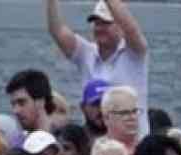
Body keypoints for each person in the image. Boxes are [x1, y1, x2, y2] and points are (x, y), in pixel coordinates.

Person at [46, 0, 149, 137]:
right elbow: (57, 30)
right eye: (96, 23)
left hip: (135, 144)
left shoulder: (135, 53)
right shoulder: (86, 53)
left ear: (120, 26)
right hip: (97, 145)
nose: (99, 28)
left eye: (106, 23)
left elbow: (131, 29)